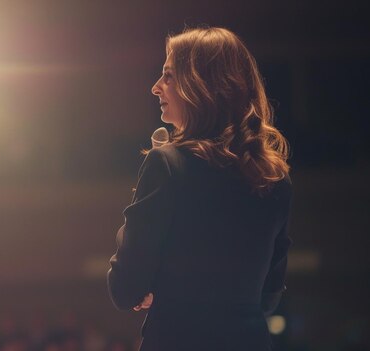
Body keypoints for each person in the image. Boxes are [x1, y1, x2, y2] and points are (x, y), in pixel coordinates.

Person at [107, 27, 293, 351]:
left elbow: (124, 289)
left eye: (167, 76)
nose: (155, 87)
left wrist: (150, 278)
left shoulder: (167, 164)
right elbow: (268, 298)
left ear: (200, 85)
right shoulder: (275, 179)